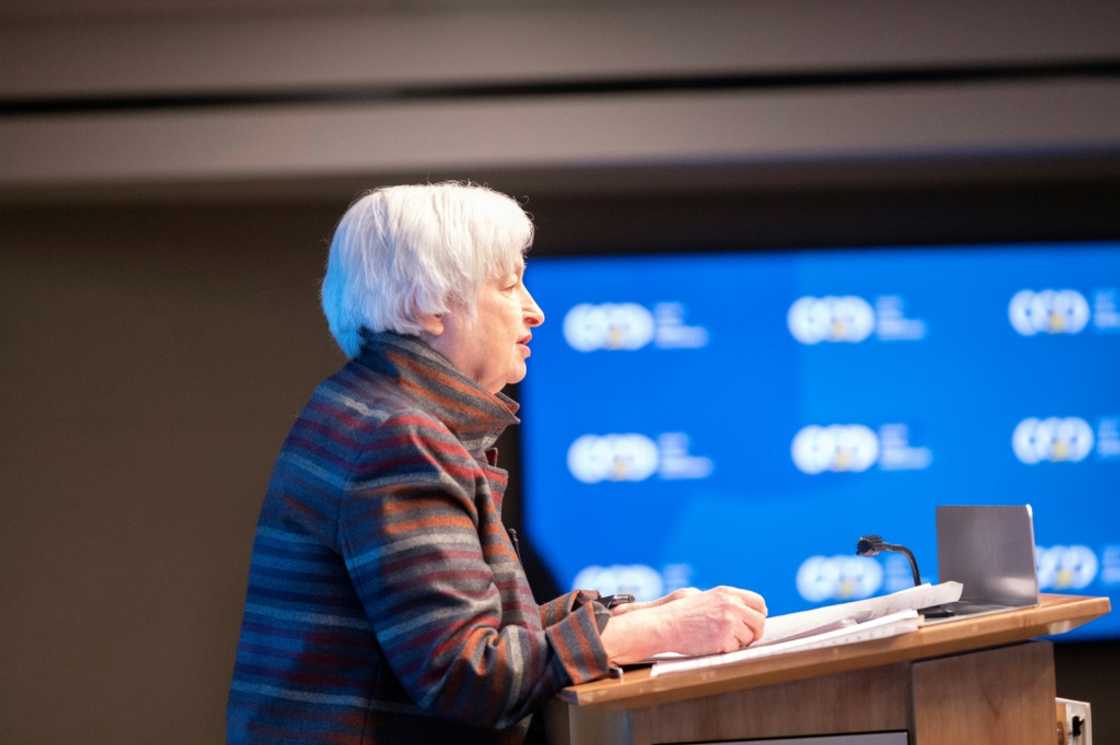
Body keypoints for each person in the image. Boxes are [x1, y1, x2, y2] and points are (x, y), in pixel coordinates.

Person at [227, 182, 767, 744]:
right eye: (510, 285)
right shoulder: (398, 437)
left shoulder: (372, 408)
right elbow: (467, 674)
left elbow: (470, 635)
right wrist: (657, 632)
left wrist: (629, 619)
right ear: (426, 304)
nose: (534, 311)